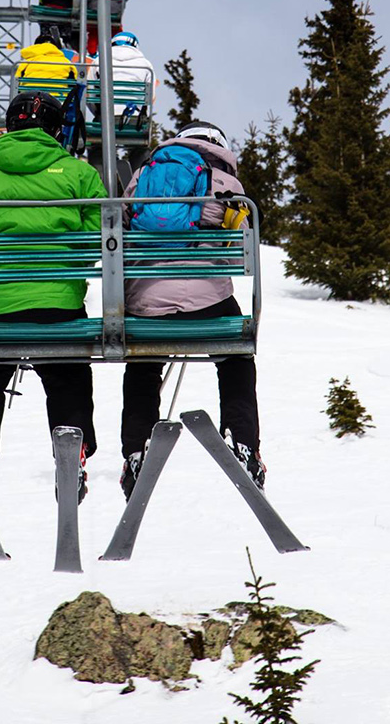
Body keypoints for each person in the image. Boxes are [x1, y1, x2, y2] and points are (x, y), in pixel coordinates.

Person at [0, 91, 107, 507]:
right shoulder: (79, 173)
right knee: (68, 372)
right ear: (57, 130)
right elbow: (98, 240)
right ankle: (72, 451)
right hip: (58, 308)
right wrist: (63, 264)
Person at [118, 120, 265, 501]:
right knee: (236, 357)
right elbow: (240, 245)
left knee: (143, 365)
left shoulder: (143, 177)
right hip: (208, 306)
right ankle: (243, 439)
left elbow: (121, 232)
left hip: (147, 305)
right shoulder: (227, 184)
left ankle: (136, 449)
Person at [86, 31, 156, 125]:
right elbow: (150, 96)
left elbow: (90, 93)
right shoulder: (146, 65)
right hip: (134, 118)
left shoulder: (98, 61)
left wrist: (98, 112)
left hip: (105, 116)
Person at [15, 29, 78, 95]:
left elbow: (17, 83)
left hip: (30, 98)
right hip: (57, 99)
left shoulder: (27, 63)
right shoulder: (66, 62)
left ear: (35, 47)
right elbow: (73, 84)